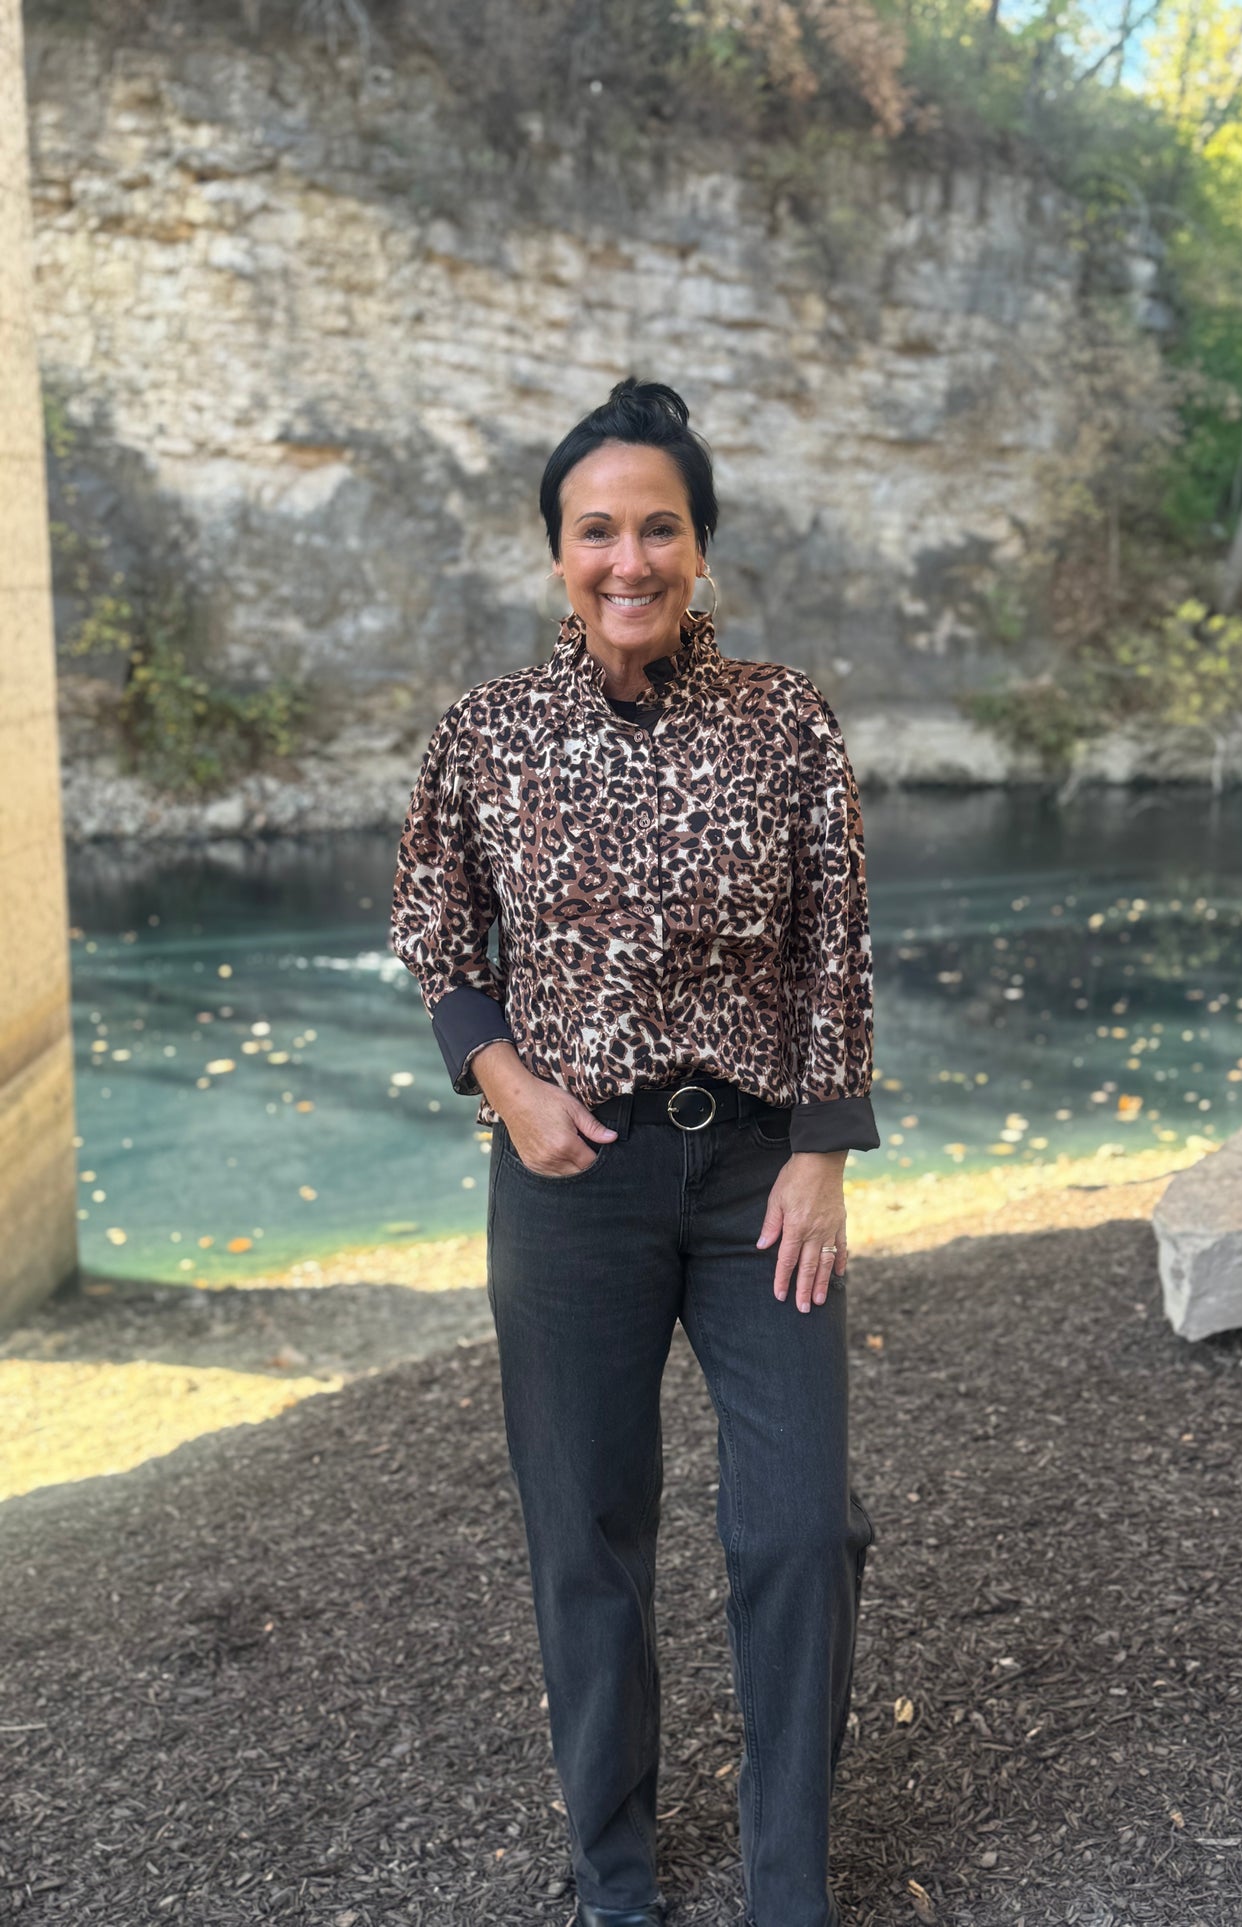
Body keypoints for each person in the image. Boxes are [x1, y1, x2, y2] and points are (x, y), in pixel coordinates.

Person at [390, 376, 879, 1927]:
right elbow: (429, 922)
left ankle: (782, 1890)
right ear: (554, 555)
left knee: (799, 1525)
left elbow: (831, 948)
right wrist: (506, 1080)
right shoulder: (487, 737)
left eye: (656, 527)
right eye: (594, 531)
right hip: (567, 1182)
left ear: (699, 545)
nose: (627, 560)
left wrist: (821, 1150)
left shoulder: (786, 720)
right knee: (586, 1534)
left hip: (754, 1175)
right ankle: (615, 1882)